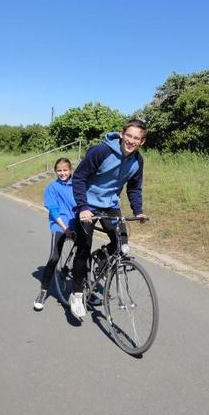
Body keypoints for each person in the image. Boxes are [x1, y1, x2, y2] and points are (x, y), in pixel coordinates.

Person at [69, 119, 148, 319]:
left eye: (136, 138)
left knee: (121, 244)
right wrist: (83, 207)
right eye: (128, 135)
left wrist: (137, 211)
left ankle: (101, 259)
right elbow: (78, 177)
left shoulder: (137, 161)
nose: (131, 141)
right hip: (88, 203)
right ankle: (77, 294)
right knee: (83, 247)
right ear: (122, 134)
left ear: (142, 141)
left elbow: (134, 187)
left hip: (111, 204)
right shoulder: (101, 151)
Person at [34, 157, 77, 311]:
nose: (62, 173)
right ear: (55, 171)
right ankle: (43, 291)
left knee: (83, 258)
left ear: (71, 170)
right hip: (60, 225)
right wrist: (65, 228)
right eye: (59, 170)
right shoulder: (51, 187)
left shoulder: (78, 184)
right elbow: (53, 209)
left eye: (65, 170)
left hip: (76, 224)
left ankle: (85, 291)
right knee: (54, 257)